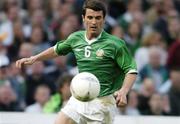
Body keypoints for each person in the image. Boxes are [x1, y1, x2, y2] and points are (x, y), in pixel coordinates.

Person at [16, 0, 137, 123]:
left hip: (102, 103)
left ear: (104, 19)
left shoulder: (115, 44)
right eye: (90, 17)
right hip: (79, 97)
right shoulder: (76, 38)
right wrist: (34, 58)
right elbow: (56, 50)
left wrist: (123, 91)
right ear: (83, 18)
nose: (94, 22)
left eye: (98, 18)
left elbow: (131, 70)